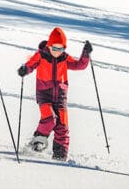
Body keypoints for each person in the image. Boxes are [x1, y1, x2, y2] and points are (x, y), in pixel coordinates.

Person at [17, 27, 92, 161]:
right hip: (44, 94)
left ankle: (60, 156)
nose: (58, 52)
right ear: (49, 45)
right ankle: (38, 142)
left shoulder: (65, 58)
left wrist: (85, 54)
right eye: (55, 48)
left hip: (60, 97)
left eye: (61, 49)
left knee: (62, 126)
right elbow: (30, 64)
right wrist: (25, 69)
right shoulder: (41, 55)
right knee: (50, 119)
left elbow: (79, 65)